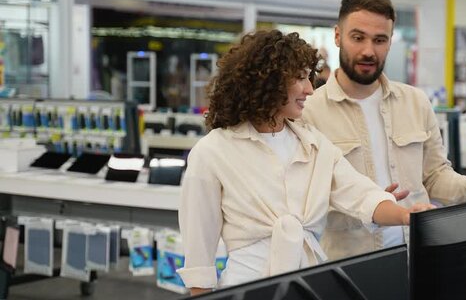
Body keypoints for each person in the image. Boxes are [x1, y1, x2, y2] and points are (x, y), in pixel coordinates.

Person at [177, 30, 433, 295]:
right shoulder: (212, 152)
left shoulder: (314, 145)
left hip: (308, 287)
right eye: (300, 78)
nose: (310, 89)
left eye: (309, 77)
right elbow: (199, 253)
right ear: (267, 80)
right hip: (246, 289)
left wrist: (406, 215)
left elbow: (361, 194)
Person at [301, 0, 466, 261]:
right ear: (338, 36)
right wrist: (369, 205)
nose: (368, 51)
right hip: (349, 263)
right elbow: (304, 201)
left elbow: (435, 177)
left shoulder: (415, 101)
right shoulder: (307, 112)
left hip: (418, 257)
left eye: (379, 40)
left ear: (390, 42)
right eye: (357, 37)